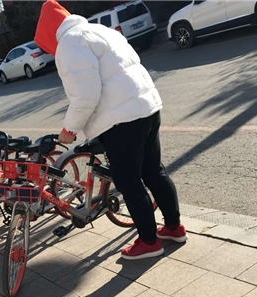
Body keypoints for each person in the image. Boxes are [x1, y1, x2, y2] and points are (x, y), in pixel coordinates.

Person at [35, 0, 186, 260]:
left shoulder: (69, 43)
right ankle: (174, 227)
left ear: (49, 34)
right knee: (154, 171)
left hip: (121, 121)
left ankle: (149, 241)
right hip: (147, 107)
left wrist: (69, 130)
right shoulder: (99, 30)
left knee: (128, 181)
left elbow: (85, 95)